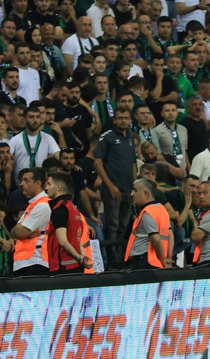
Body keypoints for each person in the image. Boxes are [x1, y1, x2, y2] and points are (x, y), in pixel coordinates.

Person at [94, 106, 137, 268]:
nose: (123, 121)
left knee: (123, 225)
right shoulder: (107, 137)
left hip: (128, 188)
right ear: (114, 120)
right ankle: (113, 260)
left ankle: (120, 257)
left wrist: (135, 185)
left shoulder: (131, 138)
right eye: (120, 118)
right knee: (112, 224)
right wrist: (110, 185)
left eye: (126, 118)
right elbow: (97, 163)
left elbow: (133, 163)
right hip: (113, 188)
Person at [44, 171, 92, 274]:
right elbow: (76, 240)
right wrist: (82, 256)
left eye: (48, 184)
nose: (46, 188)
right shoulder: (73, 209)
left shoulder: (59, 210)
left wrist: (79, 258)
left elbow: (63, 242)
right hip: (76, 266)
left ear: (58, 187)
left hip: (63, 267)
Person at [10, 168, 51, 276]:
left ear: (38, 183)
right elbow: (14, 231)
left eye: (26, 180)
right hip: (27, 262)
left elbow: (19, 232)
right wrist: (21, 230)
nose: (21, 184)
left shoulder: (42, 205)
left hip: (35, 262)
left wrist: (21, 231)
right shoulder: (33, 204)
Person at [124, 178, 173, 270]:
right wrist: (168, 257)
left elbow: (155, 239)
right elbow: (170, 234)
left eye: (135, 190)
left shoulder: (148, 212)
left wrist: (163, 260)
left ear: (145, 194)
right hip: (156, 261)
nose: (131, 194)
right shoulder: (162, 209)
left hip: (145, 262)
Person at [9, 105, 60, 180]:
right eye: (31, 117)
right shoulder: (15, 140)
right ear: (25, 119)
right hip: (20, 183)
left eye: (38, 117)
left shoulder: (48, 138)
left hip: (40, 181)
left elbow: (57, 154)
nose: (35, 120)